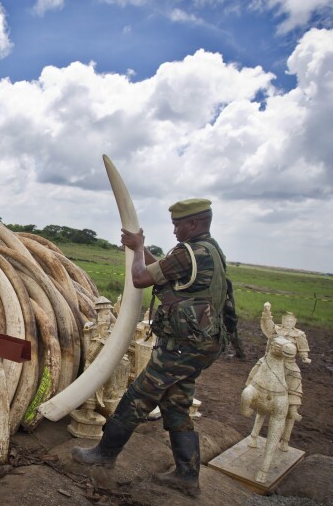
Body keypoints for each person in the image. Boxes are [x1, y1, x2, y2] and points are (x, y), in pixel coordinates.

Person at [72, 198, 232, 497]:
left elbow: (140, 277)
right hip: (201, 344)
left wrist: (137, 249)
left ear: (193, 224)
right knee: (177, 402)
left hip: (183, 346)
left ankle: (104, 455)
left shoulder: (188, 252)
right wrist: (137, 248)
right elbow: (160, 268)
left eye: (178, 224)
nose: (174, 230)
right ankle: (187, 475)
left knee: (139, 395)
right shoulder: (209, 250)